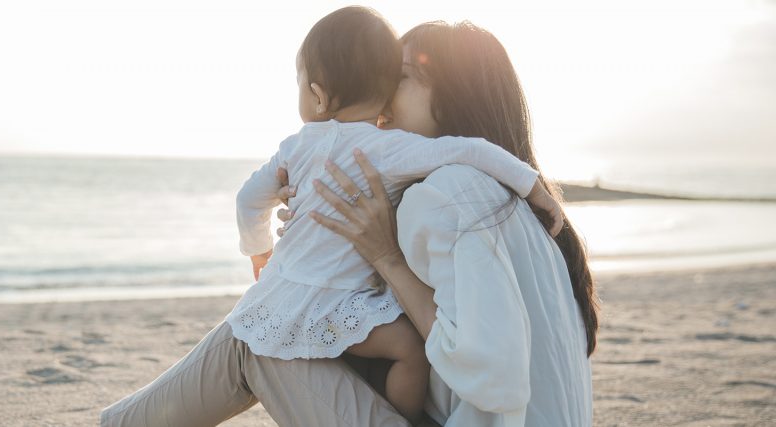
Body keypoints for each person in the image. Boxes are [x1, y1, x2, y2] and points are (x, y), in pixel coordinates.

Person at [100, 17, 593, 427]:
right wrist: (334, 230)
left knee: (261, 334)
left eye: (398, 76)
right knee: (278, 319)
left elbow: (493, 376)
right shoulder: (503, 200)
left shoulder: (451, 195)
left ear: (450, 95)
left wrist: (384, 257)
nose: (379, 92)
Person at [228, 7, 555, 423]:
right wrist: (533, 187)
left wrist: (260, 251)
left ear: (319, 95)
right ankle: (396, 415)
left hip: (285, 297)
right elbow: (471, 148)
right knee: (409, 353)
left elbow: (247, 201)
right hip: (342, 307)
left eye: (402, 76)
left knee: (235, 353)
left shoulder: (294, 147)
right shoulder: (393, 151)